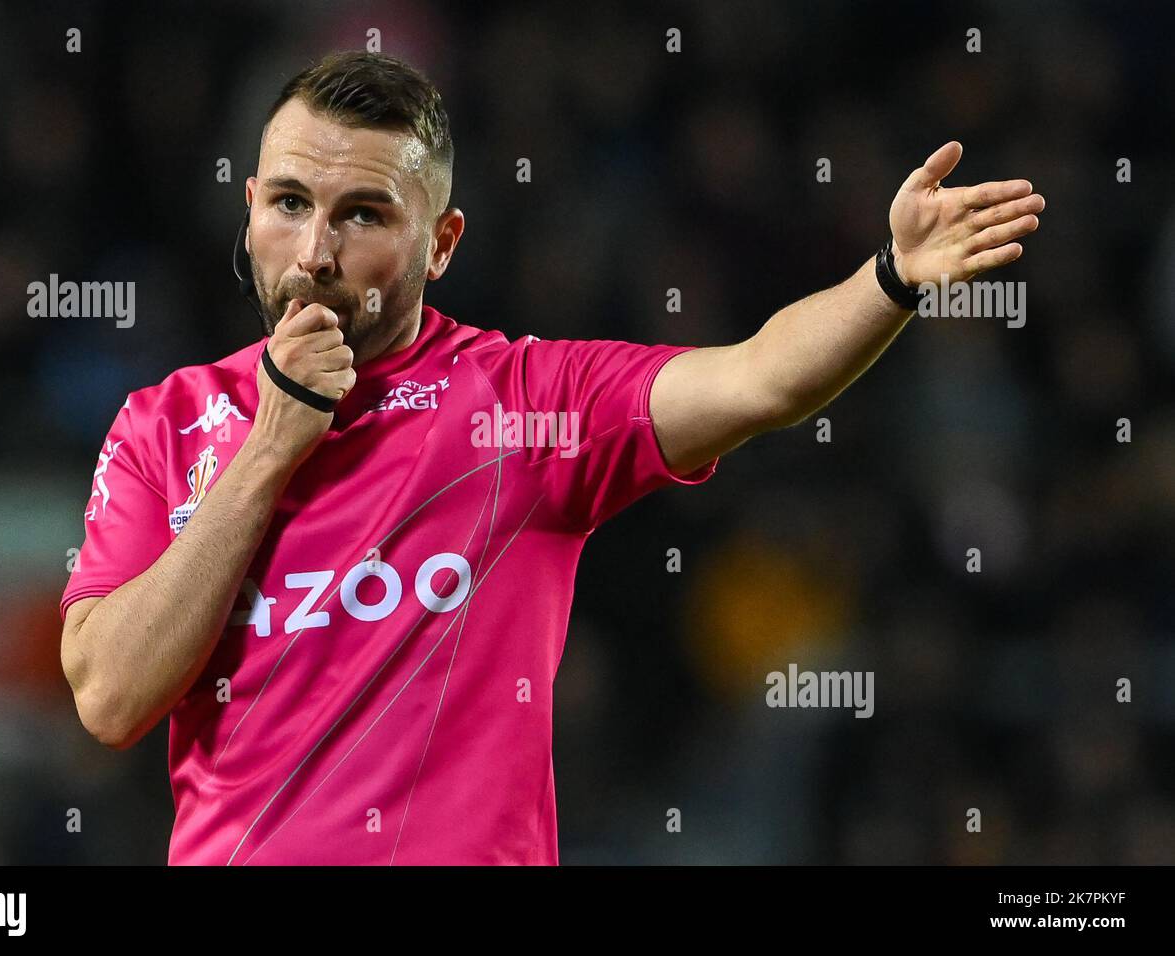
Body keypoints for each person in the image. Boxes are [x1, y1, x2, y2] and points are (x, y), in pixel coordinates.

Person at [59, 50, 1044, 865]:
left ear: (441, 242)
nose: (314, 250)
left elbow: (761, 379)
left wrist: (890, 276)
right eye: (287, 203)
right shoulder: (166, 423)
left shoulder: (523, 406)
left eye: (363, 214)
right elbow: (108, 695)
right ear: (246, 208)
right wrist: (270, 449)